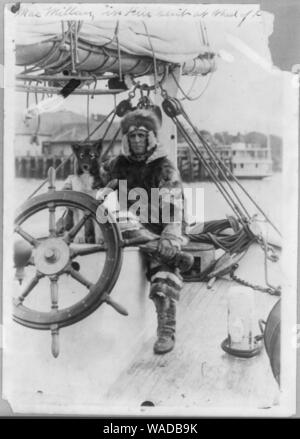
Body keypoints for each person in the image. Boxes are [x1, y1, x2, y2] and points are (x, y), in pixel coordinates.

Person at [96, 108, 189, 355]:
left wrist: (170, 236)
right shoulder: (116, 165)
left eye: (141, 135)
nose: (137, 140)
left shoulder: (164, 167)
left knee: (163, 273)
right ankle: (167, 253)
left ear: (150, 138)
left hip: (160, 227)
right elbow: (92, 184)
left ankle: (166, 330)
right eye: (132, 136)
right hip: (127, 226)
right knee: (124, 224)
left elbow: (175, 206)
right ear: (126, 139)